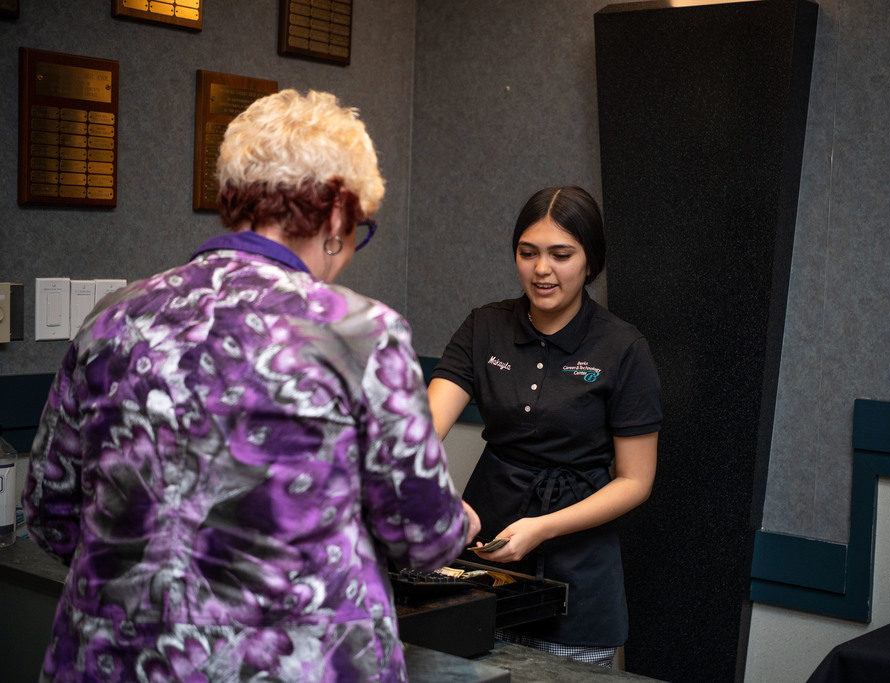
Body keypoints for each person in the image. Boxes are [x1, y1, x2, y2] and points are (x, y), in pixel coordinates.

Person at [23, 89, 479, 683]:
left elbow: (51, 512)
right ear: (338, 215)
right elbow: (422, 538)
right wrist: (458, 524)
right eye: (358, 229)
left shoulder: (113, 318)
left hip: (113, 661)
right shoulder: (361, 334)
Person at [428, 186, 662, 667]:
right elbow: (419, 434)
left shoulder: (623, 347)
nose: (541, 270)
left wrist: (544, 527)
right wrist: (432, 496)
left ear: (590, 262)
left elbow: (636, 480)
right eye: (527, 253)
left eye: (561, 255)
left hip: (579, 569)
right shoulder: (484, 327)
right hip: (484, 554)